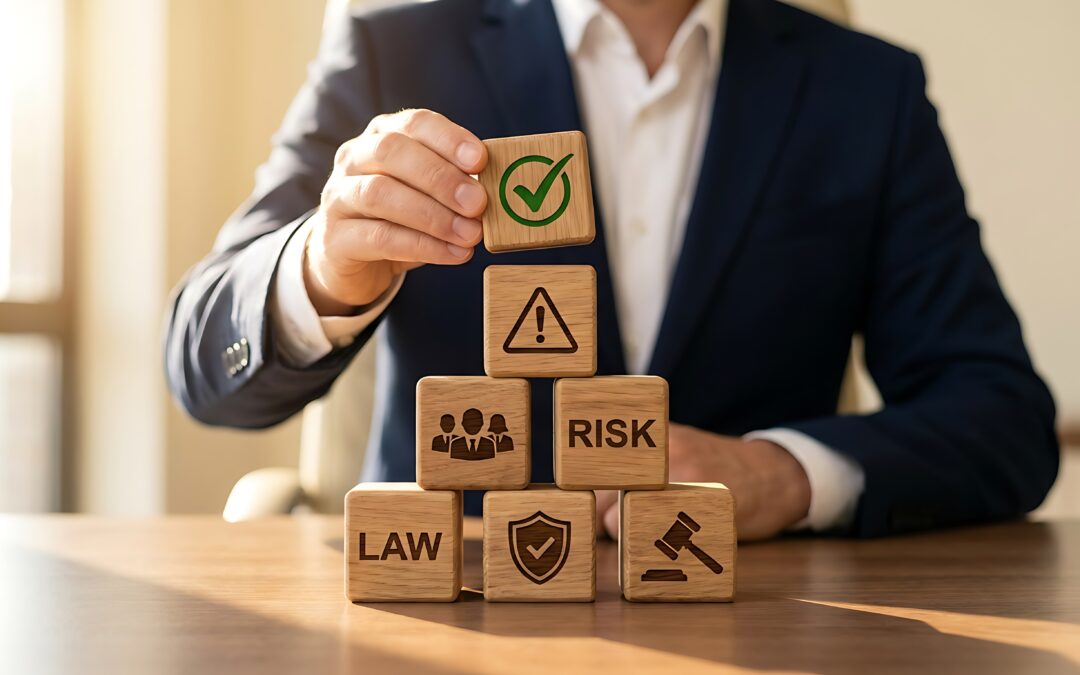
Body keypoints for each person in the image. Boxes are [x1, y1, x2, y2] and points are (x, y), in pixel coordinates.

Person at [164, 0, 1058, 540]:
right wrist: (323, 266)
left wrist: (782, 476)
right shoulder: (393, 51)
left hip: (757, 611)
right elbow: (202, 363)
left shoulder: (867, 91)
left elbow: (1003, 419)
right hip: (451, 604)